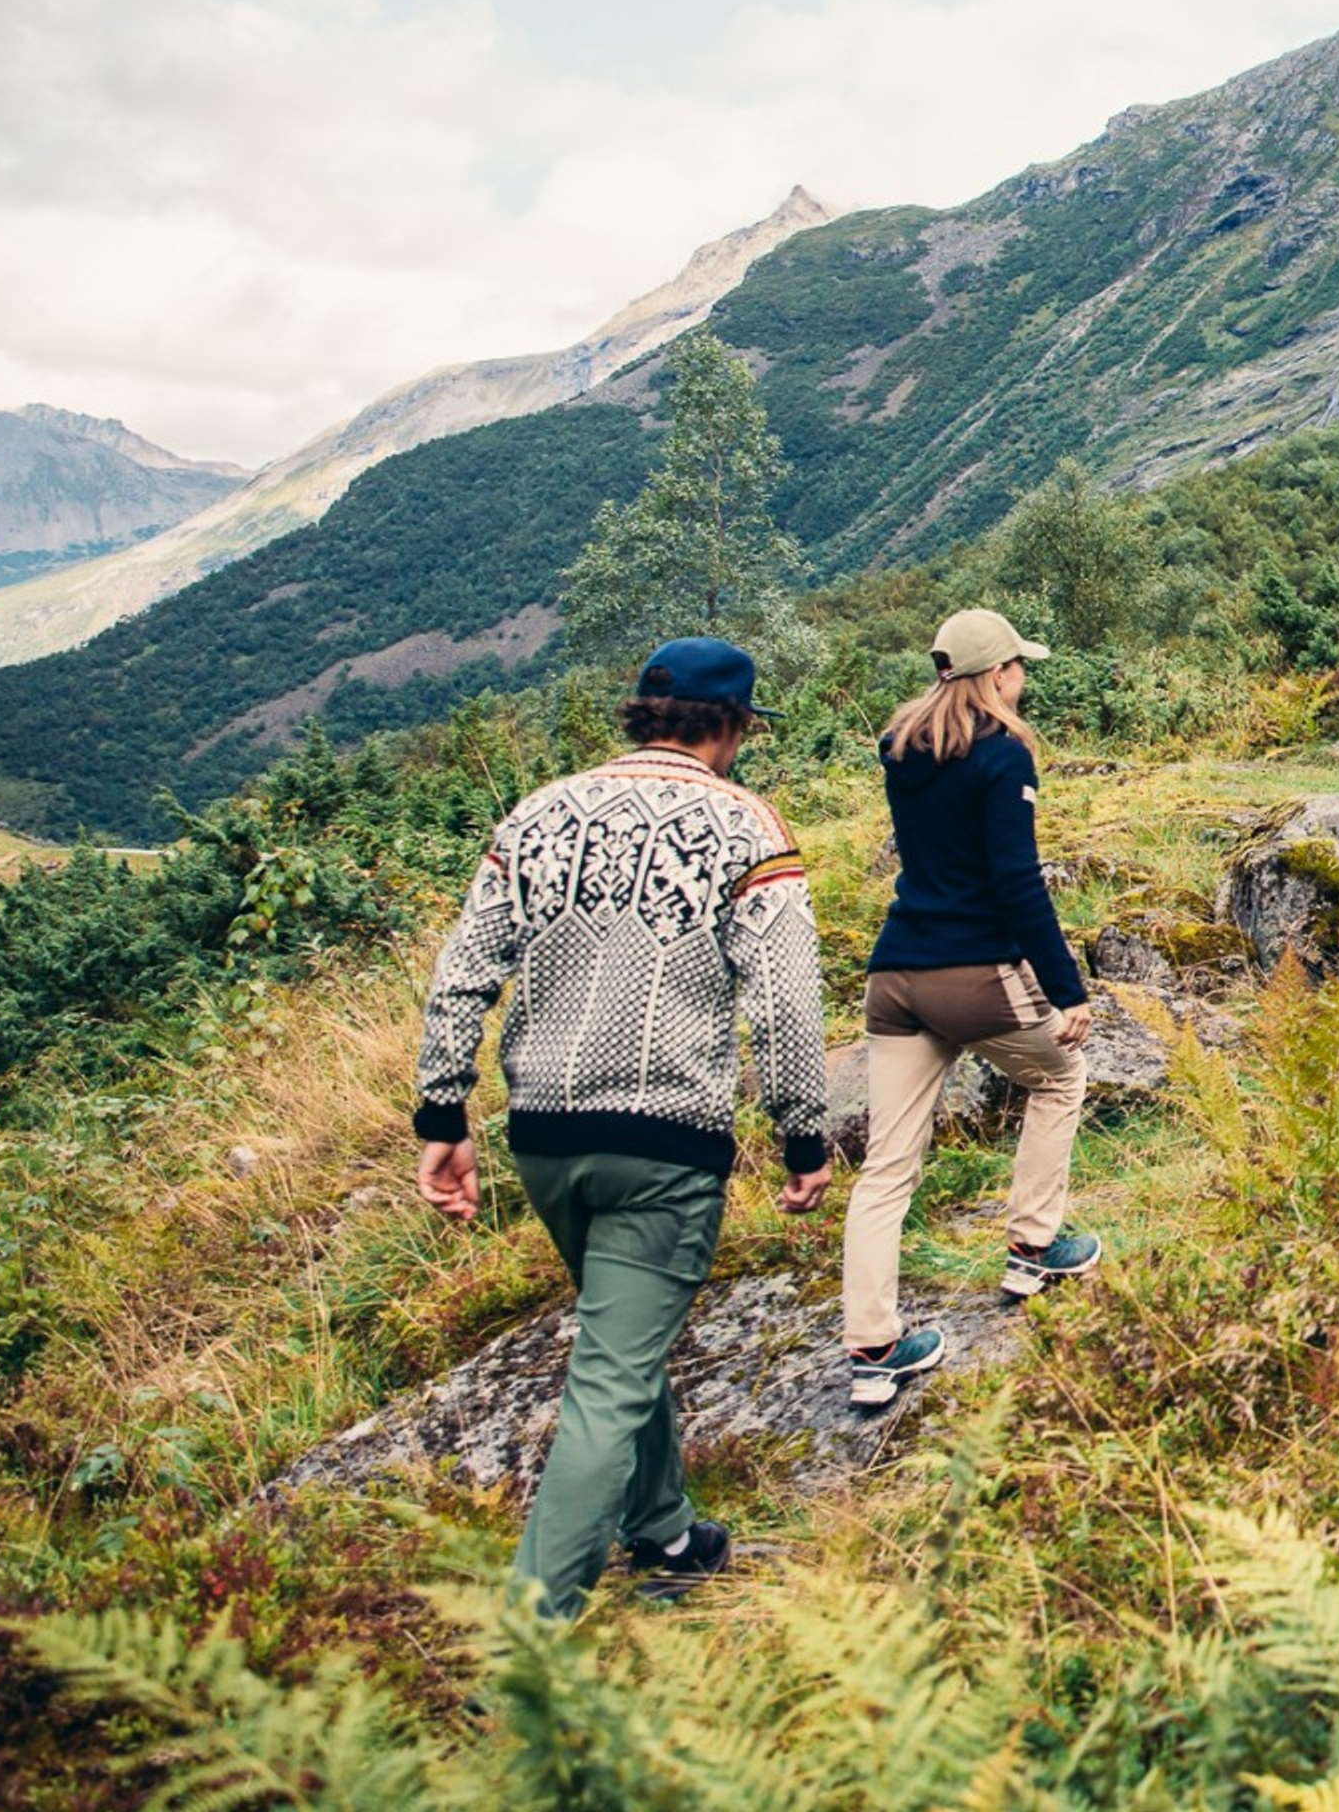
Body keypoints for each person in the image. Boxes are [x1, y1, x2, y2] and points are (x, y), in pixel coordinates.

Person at [412, 637, 829, 1615]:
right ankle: (529, 1644)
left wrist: (443, 1112)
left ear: (646, 714)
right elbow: (784, 1005)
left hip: (545, 1137)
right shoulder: (747, 829)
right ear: (730, 726)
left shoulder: (538, 814)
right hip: (664, 1143)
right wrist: (803, 1138)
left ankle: (665, 1529)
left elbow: (462, 968)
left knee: (618, 1338)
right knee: (607, 1381)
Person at [842, 605, 1106, 1411]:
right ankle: (1033, 1246)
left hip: (895, 978)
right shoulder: (1002, 756)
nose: (1024, 678)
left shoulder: (900, 749)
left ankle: (874, 1350)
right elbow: (1016, 883)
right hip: (976, 974)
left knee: (886, 1169)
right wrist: (1068, 990)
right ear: (996, 675)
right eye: (1019, 666)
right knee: (1061, 1078)